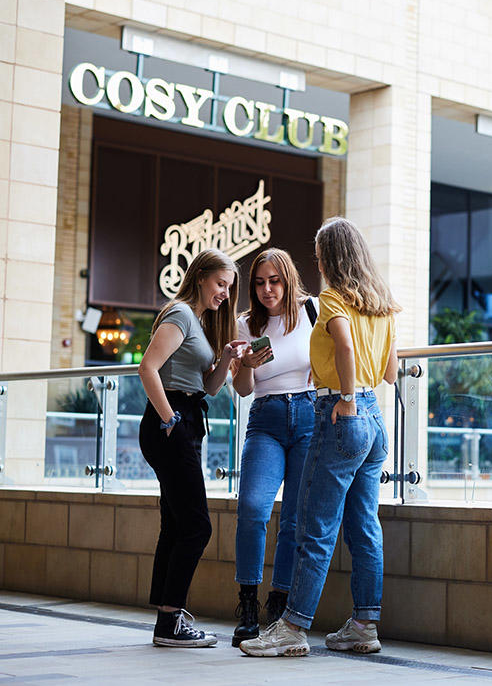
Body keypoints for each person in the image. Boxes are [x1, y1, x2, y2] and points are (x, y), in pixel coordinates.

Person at [240, 218, 400, 657]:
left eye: (318, 255)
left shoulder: (332, 299)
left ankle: (292, 628)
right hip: (374, 419)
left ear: (329, 256)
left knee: (315, 527)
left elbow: (345, 346)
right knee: (364, 527)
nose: (317, 262)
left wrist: (345, 396)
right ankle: (364, 625)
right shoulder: (380, 302)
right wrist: (354, 389)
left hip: (341, 414)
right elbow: (389, 370)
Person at [138, 248, 244, 648]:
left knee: (178, 523)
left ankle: (167, 617)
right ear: (200, 276)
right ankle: (170, 619)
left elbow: (211, 388)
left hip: (184, 417)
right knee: (198, 526)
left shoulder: (198, 322)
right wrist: (169, 420)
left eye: (229, 287)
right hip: (171, 419)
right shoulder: (181, 313)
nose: (224, 293)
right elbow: (147, 367)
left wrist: (227, 359)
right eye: (220, 284)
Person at [231, 248, 319, 647]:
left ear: (288, 279)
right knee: (252, 509)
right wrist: (246, 366)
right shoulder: (245, 323)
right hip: (265, 417)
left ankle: (279, 604)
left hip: (308, 415)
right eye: (260, 282)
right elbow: (243, 390)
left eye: (275, 281)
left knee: (295, 521)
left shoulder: (312, 311)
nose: (268, 290)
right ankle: (247, 604)